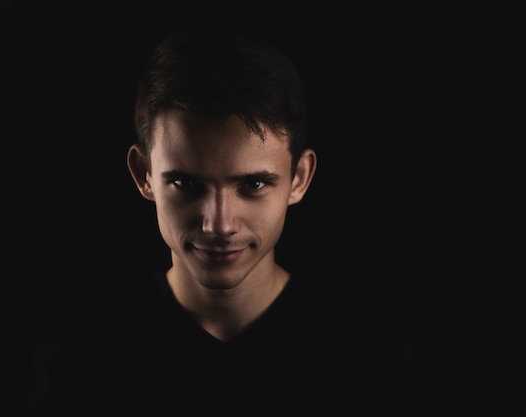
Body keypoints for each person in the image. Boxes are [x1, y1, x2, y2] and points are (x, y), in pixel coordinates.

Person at [28, 30, 430, 416]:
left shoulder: (376, 363)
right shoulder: (74, 367)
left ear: (299, 179)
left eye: (253, 184)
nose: (219, 224)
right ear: (143, 174)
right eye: (185, 183)